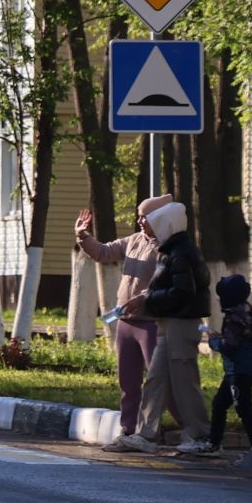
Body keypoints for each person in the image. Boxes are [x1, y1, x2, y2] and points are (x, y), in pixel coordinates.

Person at [76, 193, 178, 452]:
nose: (140, 220)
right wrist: (83, 237)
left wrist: (143, 298)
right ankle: (128, 432)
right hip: (127, 323)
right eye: (139, 215)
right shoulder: (134, 241)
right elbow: (104, 253)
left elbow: (166, 283)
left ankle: (191, 429)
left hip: (152, 323)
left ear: (159, 218)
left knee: (160, 381)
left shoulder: (167, 247)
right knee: (128, 382)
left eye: (145, 216)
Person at [125, 200, 215, 455]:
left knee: (184, 381)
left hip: (181, 324)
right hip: (168, 323)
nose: (146, 226)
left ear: (166, 225)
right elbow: (172, 288)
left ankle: (200, 437)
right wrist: (146, 297)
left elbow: (183, 292)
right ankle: (145, 435)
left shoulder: (181, 253)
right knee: (155, 380)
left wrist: (148, 299)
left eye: (152, 223)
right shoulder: (171, 250)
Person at [207, 273, 252, 453]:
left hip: (238, 371)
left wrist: (214, 342)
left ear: (229, 297)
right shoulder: (246, 313)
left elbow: (230, 346)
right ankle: (214, 443)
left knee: (243, 409)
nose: (218, 300)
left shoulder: (234, 318)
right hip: (241, 370)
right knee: (219, 404)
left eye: (221, 296)